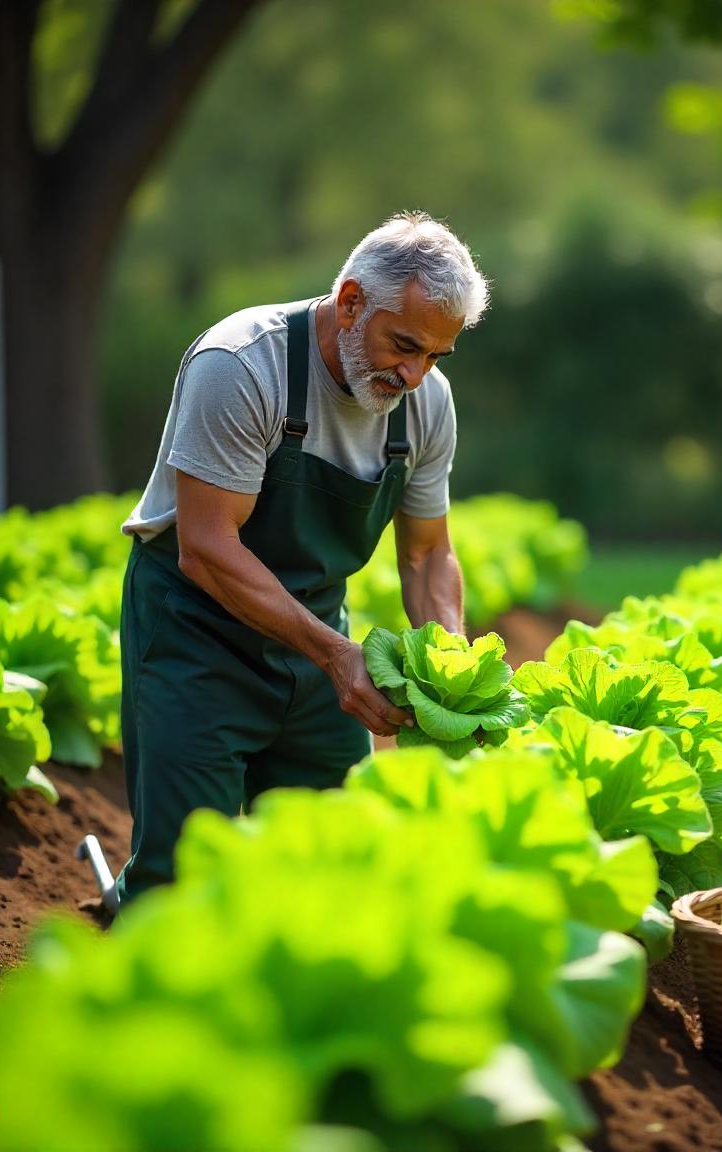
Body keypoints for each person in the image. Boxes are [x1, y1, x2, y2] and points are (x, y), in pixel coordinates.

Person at [114, 211, 489, 906]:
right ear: (351, 302)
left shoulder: (426, 403)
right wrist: (338, 657)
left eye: (436, 355)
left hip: (315, 635)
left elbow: (429, 552)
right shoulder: (241, 366)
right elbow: (207, 548)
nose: (415, 374)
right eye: (403, 344)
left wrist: (449, 660)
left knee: (330, 872)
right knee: (182, 879)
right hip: (196, 635)